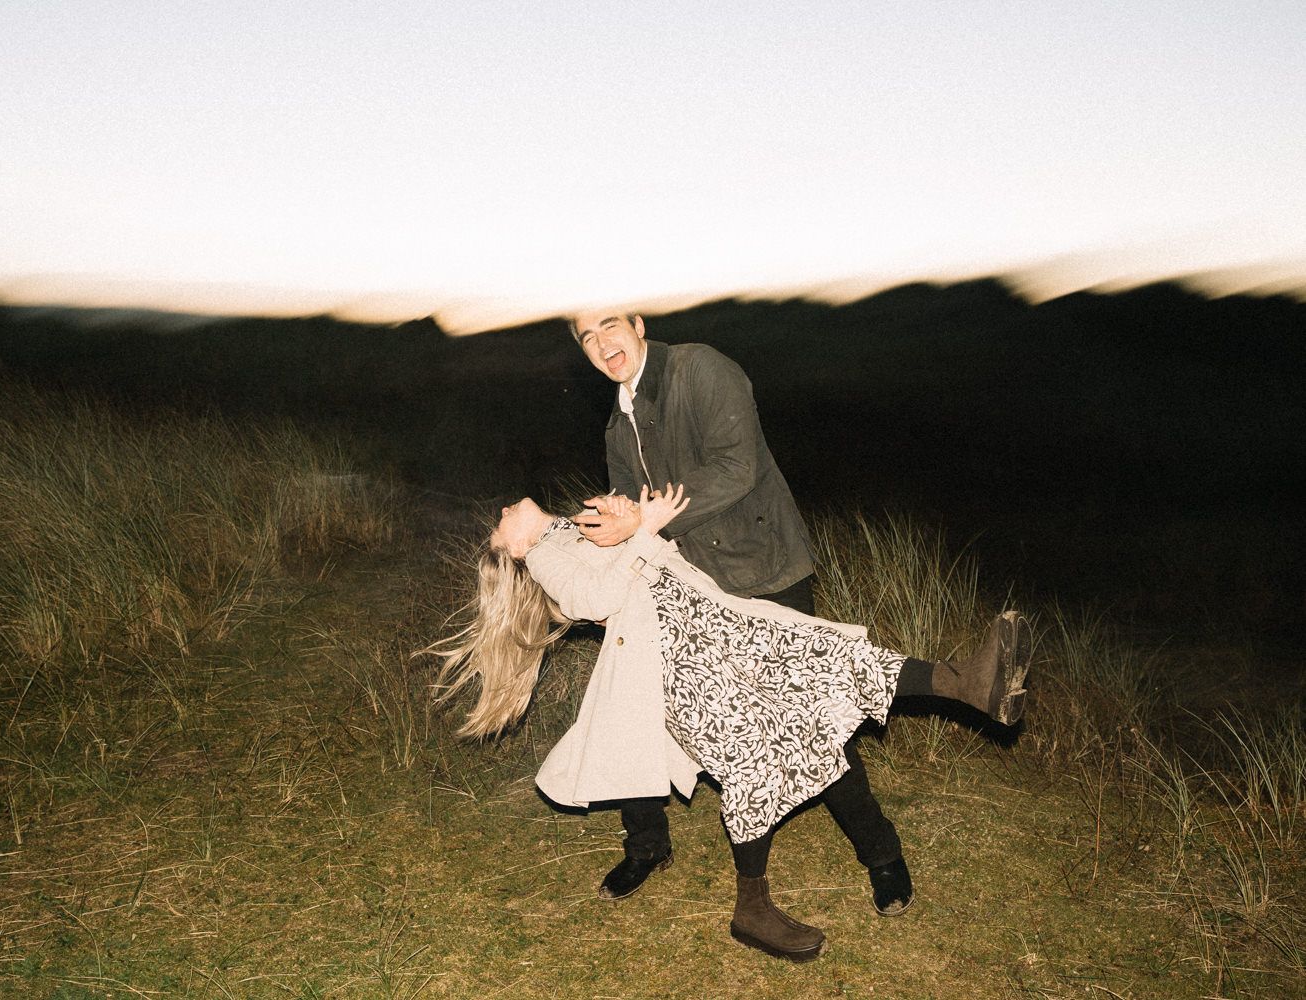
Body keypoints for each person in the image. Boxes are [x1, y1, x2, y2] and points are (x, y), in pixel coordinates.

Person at [425, 487, 1031, 962]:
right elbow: (597, 600)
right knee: (756, 756)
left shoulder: (567, 529)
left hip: (720, 634)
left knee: (828, 659)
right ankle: (752, 908)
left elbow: (659, 567)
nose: (502, 510)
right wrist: (645, 533)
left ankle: (970, 684)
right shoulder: (546, 555)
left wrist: (633, 523)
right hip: (686, 665)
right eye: (497, 525)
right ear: (511, 549)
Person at [565, 308, 828, 903]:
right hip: (692, 578)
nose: (602, 343)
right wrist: (609, 530)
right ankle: (646, 844)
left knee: (807, 709)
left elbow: (738, 468)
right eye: (587, 336)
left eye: (610, 324)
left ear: (636, 322)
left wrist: (646, 518)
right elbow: (635, 514)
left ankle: (880, 850)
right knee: (633, 697)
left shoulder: (699, 368)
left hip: (765, 565)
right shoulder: (616, 427)